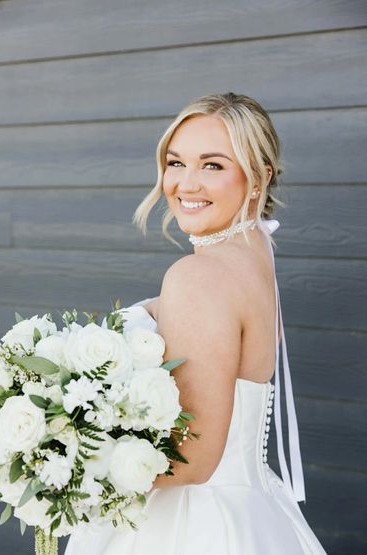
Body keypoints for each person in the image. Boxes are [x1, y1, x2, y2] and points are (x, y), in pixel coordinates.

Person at [65, 92, 328, 554]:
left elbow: (191, 459)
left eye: (212, 165)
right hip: (252, 508)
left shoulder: (200, 274)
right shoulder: (256, 256)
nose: (186, 184)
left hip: (188, 523)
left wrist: (67, 460)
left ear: (258, 178)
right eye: (176, 162)